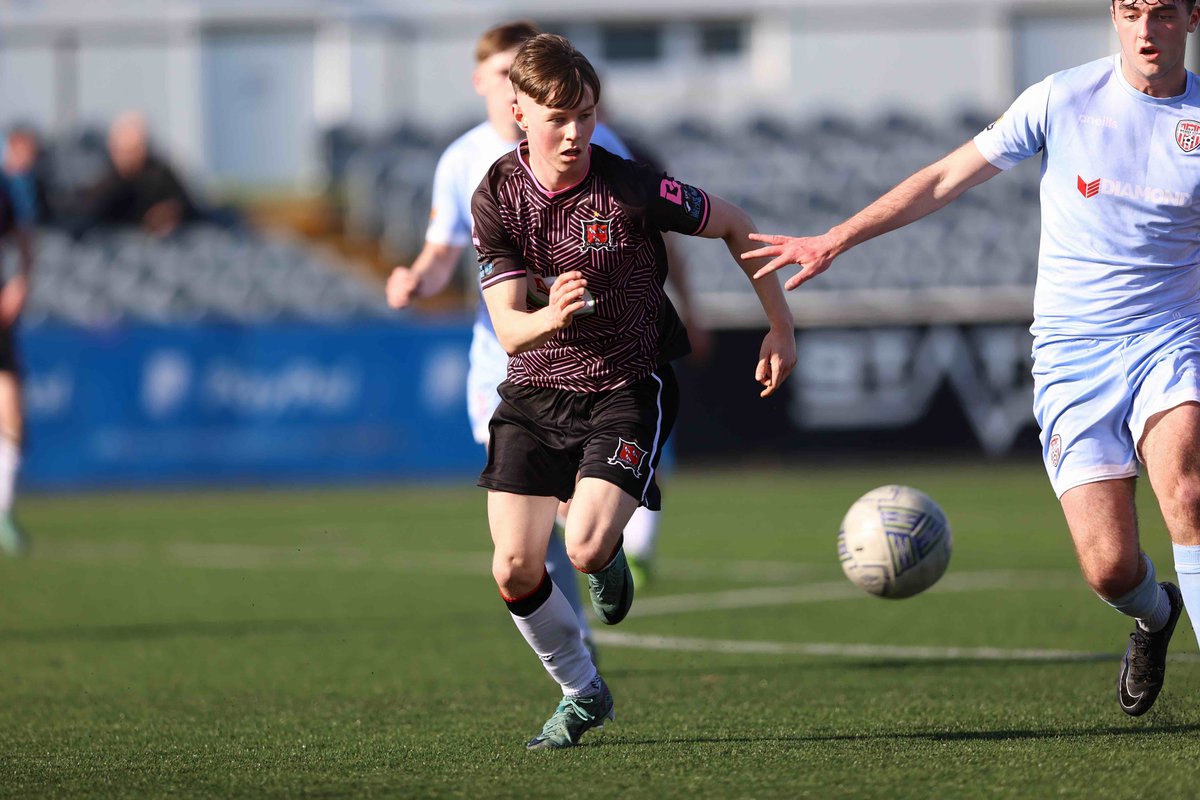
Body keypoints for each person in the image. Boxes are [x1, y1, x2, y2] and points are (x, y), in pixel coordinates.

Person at [745, 0, 1200, 718]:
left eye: (1165, 13)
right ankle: (1154, 615)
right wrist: (836, 238)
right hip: (1072, 355)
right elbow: (944, 178)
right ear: (1115, 17)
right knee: (1110, 569)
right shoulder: (1061, 98)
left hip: (1172, 336)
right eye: (1132, 11)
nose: (1147, 30)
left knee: (1189, 488)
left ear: (1192, 19)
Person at [473, 33, 795, 748]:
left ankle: (606, 550)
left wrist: (781, 327)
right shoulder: (497, 192)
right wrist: (550, 314)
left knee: (583, 548)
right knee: (514, 567)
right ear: (519, 110)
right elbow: (507, 331)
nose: (575, 132)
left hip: (624, 385)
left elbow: (737, 224)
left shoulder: (633, 187)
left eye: (585, 114)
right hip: (533, 393)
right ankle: (582, 694)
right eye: (558, 117)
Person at [384, 20, 640, 657]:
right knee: (536, 531)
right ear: (486, 83)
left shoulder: (593, 142)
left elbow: (638, 231)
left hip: (588, 366)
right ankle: (579, 654)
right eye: (501, 75)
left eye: (518, 75)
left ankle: (593, 584)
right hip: (502, 367)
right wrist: (416, 281)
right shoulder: (464, 161)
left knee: (566, 517)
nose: (509, 88)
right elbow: (442, 254)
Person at [0, 128, 40, 555]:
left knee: (10, 412)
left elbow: (25, 237)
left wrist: (20, 282)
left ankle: (3, 513)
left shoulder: (6, 190)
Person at [80, 112, 196, 237]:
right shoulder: (104, 180)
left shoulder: (161, 177)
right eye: (121, 151)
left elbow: (188, 208)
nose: (127, 158)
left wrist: (170, 211)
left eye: (132, 150)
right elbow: (88, 212)